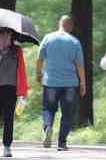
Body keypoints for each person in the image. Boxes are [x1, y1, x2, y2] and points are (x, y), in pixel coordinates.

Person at [36, 15, 86, 151]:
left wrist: (38, 74)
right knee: (67, 113)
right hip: (70, 84)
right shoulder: (75, 42)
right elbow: (79, 64)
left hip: (50, 81)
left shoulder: (48, 38)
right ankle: (62, 143)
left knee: (48, 109)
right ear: (70, 27)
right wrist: (83, 83)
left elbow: (40, 58)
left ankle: (48, 127)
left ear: (59, 24)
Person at [0, 27, 29, 159]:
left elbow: (22, 71)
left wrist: (24, 91)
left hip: (12, 89)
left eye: (6, 33)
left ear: (10, 35)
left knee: (9, 118)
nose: (3, 36)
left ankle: (7, 146)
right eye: (0, 33)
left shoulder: (17, 50)